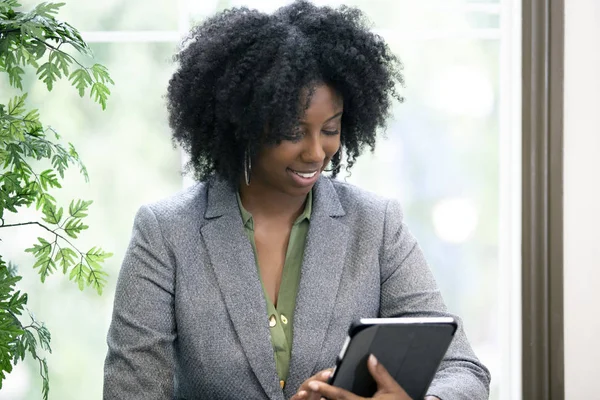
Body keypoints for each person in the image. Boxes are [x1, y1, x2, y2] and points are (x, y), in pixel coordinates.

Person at [103, 1, 491, 399]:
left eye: (330, 129)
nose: (316, 153)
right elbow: (130, 392)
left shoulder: (377, 226)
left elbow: (463, 370)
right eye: (293, 131)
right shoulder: (165, 233)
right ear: (245, 124)